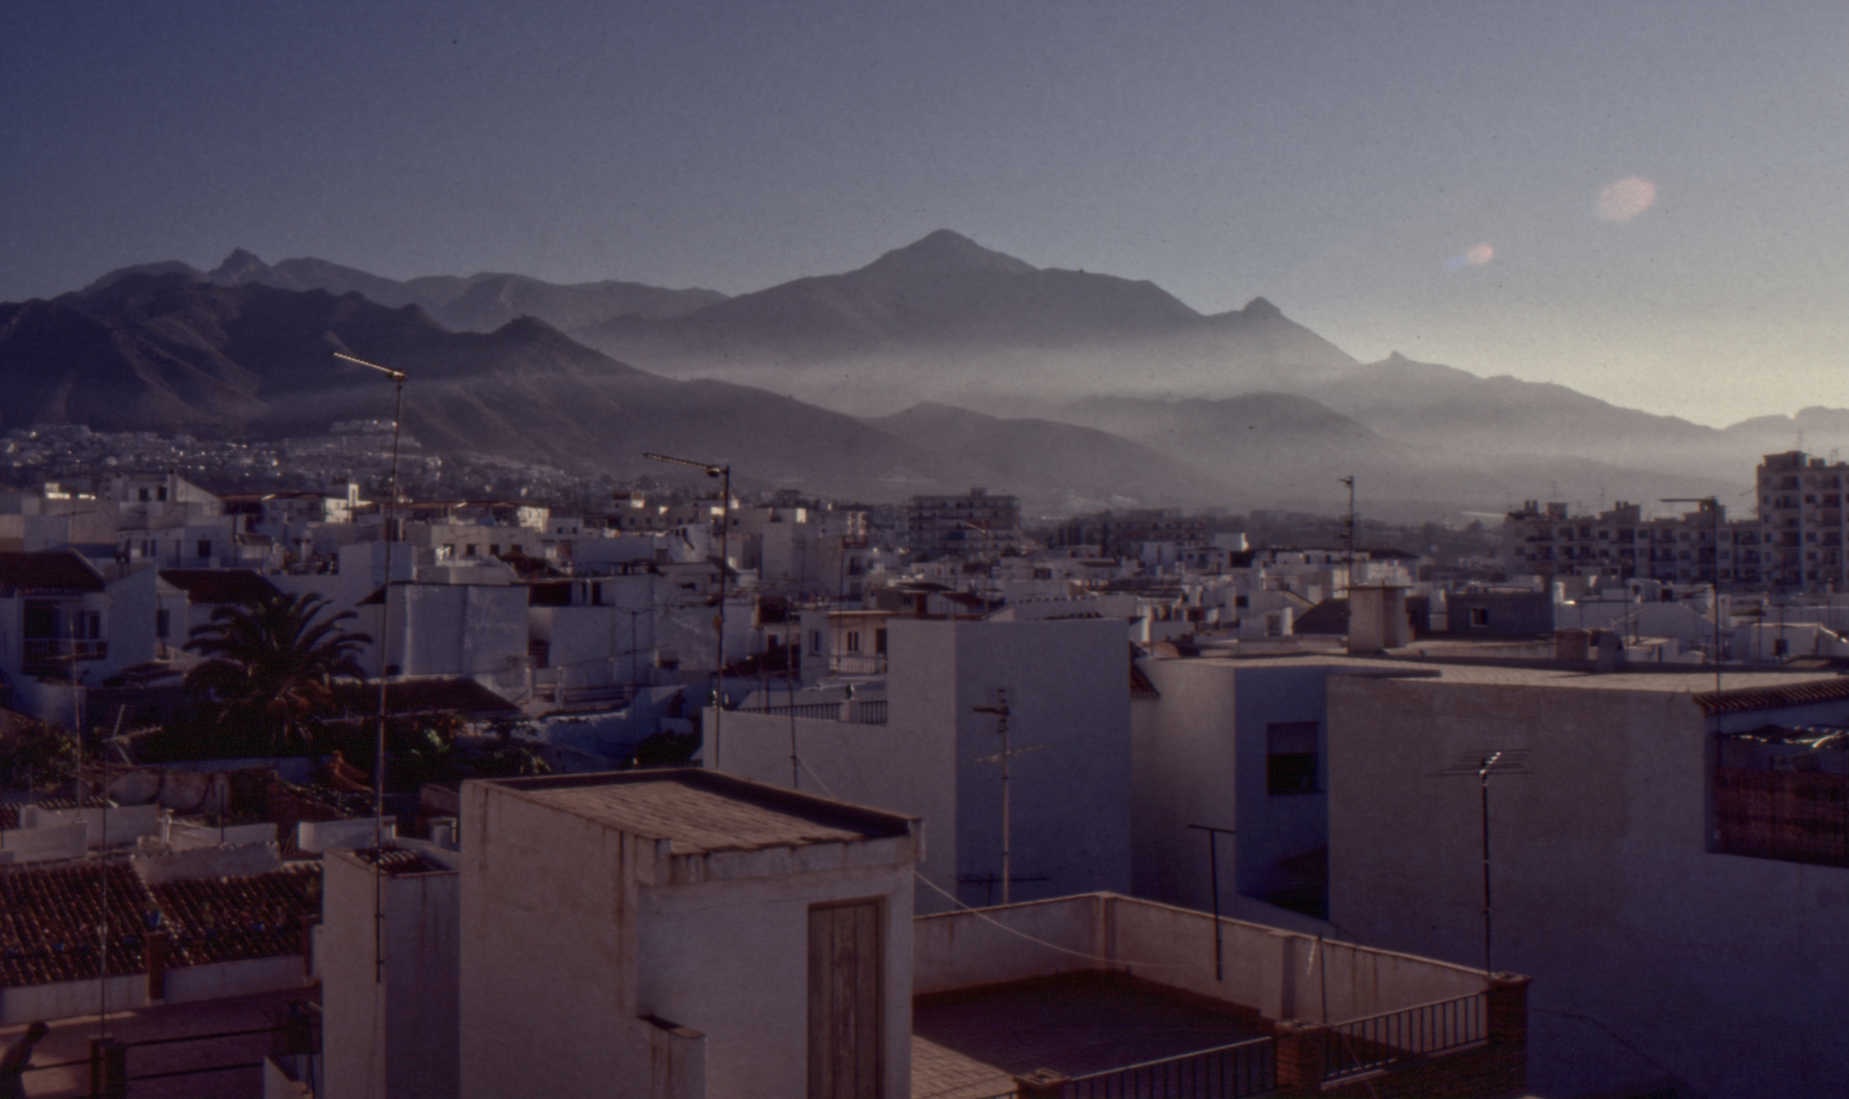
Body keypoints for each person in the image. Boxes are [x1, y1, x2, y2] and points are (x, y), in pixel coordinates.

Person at [0, 1021, 50, 1099]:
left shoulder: (18, 1041)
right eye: (40, 1036)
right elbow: (14, 1067)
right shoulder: (25, 1046)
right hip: (8, 1080)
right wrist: (26, 1067)